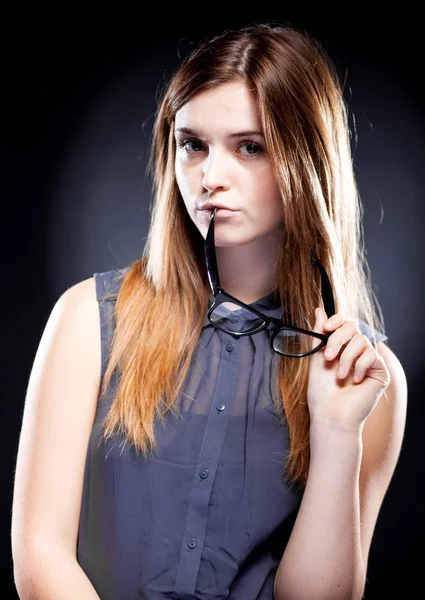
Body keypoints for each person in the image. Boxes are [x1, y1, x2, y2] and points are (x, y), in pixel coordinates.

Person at [11, 22, 407, 600]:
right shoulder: (86, 320)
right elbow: (41, 557)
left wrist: (337, 433)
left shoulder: (369, 378)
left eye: (251, 147)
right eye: (192, 144)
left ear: (306, 162)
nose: (209, 179)